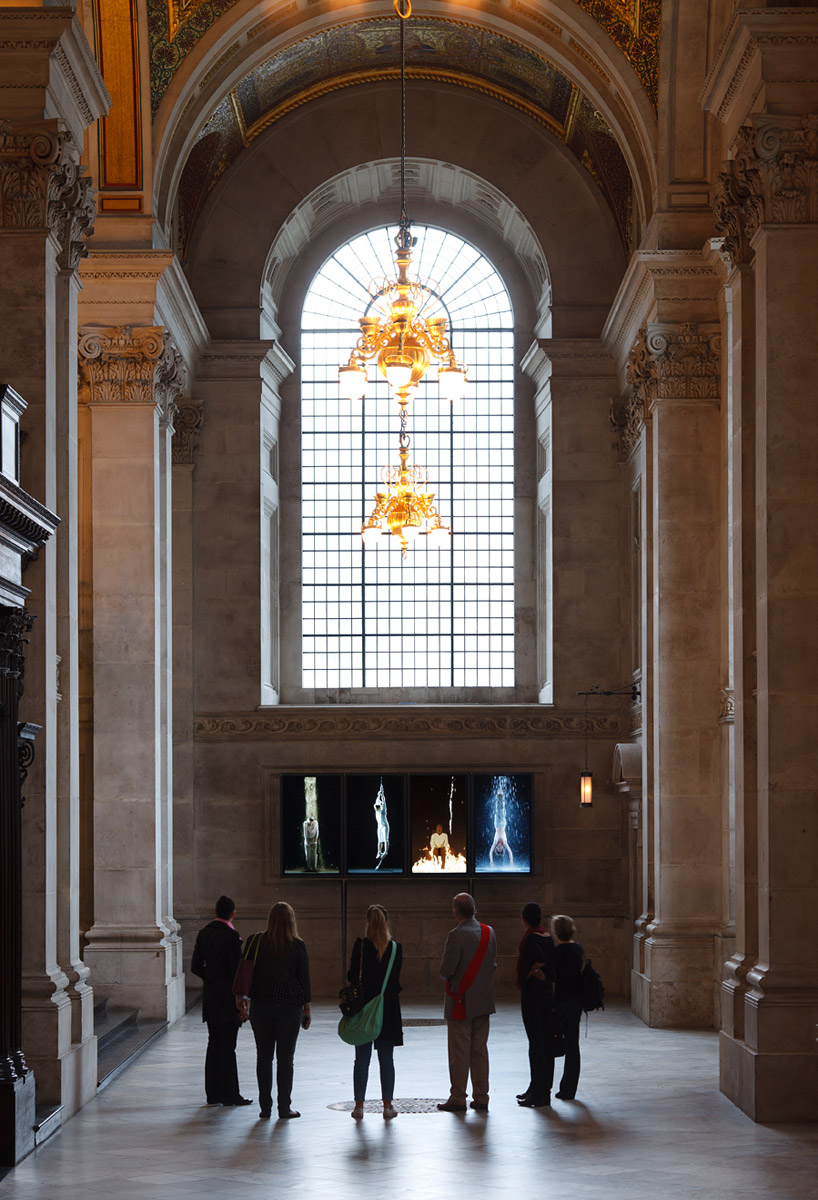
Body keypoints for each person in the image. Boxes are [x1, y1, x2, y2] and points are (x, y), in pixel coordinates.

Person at [236, 901, 311, 1119]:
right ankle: (284, 1107)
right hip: (290, 1008)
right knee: (286, 1059)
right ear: (291, 921)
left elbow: (245, 970)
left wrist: (241, 997)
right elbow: (304, 980)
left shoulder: (256, 941)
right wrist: (307, 1009)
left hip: (261, 1006)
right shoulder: (297, 945)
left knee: (264, 1057)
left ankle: (265, 1107)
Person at [190, 895, 252, 1107]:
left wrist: (212, 978)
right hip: (228, 999)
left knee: (213, 1044)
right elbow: (237, 972)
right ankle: (230, 1095)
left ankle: (213, 1094)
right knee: (228, 1047)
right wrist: (242, 1000)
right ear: (232, 914)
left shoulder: (204, 933)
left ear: (216, 912)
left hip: (211, 997)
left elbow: (195, 966)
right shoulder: (232, 937)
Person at [437, 892, 497, 1112]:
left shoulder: (456, 935)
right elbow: (493, 965)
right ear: (474, 909)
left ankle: (458, 1097)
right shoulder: (489, 932)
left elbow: (446, 970)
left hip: (461, 1002)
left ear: (455, 912)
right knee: (480, 1050)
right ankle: (482, 1096)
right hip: (484, 1001)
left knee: (459, 1052)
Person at [348, 904, 403, 1120]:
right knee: (386, 1058)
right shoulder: (395, 948)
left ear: (368, 924)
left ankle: (359, 1106)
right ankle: (388, 1106)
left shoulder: (360, 947)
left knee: (362, 1058)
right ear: (386, 923)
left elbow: (351, 975)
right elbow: (395, 980)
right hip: (387, 1008)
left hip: (364, 1008)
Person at [515, 901, 555, 1107]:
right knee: (545, 1043)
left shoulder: (530, 939)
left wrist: (533, 972)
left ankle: (539, 1092)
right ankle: (540, 1087)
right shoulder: (547, 937)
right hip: (547, 995)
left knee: (536, 1044)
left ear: (524, 920)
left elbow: (528, 965)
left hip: (532, 995)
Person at [551, 913, 584, 1101]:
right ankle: (569, 1088)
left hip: (560, 1001)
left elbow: (554, 980)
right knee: (573, 1045)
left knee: (554, 1040)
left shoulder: (556, 953)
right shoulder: (578, 948)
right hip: (576, 1001)